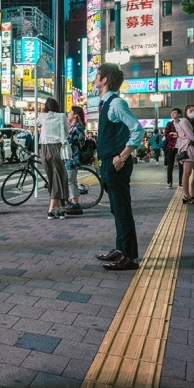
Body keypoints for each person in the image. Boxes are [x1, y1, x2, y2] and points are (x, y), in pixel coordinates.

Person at [93, 63, 144, 271]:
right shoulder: (106, 103)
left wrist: (123, 156)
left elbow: (138, 130)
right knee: (116, 208)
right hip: (108, 162)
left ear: (104, 80)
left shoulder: (116, 103)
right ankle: (121, 248)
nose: (94, 79)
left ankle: (130, 256)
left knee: (122, 209)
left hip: (116, 163)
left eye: (97, 75)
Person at [35, 97, 69, 220]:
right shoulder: (62, 116)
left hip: (44, 148)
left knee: (52, 178)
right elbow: (66, 132)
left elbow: (35, 123)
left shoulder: (43, 116)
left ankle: (59, 209)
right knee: (59, 176)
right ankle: (51, 209)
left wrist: (43, 114)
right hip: (57, 147)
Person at [175, 104, 194, 204]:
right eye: (190, 110)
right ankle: (187, 195)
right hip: (188, 149)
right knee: (187, 172)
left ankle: (191, 193)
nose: (193, 112)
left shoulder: (193, 122)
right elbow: (191, 135)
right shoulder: (184, 121)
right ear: (186, 112)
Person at [64, 105, 88, 215]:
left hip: (72, 158)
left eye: (70, 112)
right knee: (71, 181)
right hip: (72, 157)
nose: (68, 114)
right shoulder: (75, 126)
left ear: (75, 115)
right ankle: (74, 202)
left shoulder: (77, 127)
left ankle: (75, 204)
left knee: (70, 181)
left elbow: (71, 142)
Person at [163, 108, 183, 189]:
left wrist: (174, 134)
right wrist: (176, 135)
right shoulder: (169, 124)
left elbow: (184, 134)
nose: (172, 114)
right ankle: (169, 182)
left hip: (181, 147)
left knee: (181, 165)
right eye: (172, 113)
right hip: (171, 146)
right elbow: (167, 135)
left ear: (179, 114)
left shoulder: (182, 123)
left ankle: (181, 183)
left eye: (174, 113)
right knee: (170, 165)